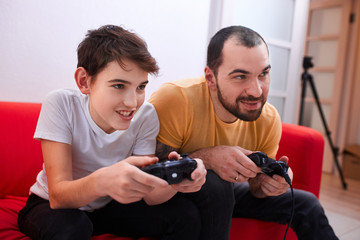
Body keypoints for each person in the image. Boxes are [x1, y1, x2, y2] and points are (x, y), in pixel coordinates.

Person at [17, 24, 207, 240]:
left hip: (108, 204)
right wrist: (105, 179)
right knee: (72, 228)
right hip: (51, 205)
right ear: (84, 81)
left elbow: (150, 196)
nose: (132, 102)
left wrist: (177, 181)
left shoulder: (145, 115)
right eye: (118, 85)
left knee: (185, 216)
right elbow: (59, 196)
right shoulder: (61, 104)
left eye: (141, 87)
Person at [149, 25, 338, 240]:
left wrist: (269, 184)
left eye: (263, 74)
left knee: (307, 204)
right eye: (240, 77)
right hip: (177, 195)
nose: (256, 91)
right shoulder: (175, 99)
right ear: (211, 78)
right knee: (216, 184)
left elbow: (256, 188)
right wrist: (208, 158)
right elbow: (151, 174)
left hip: (228, 194)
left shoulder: (267, 118)